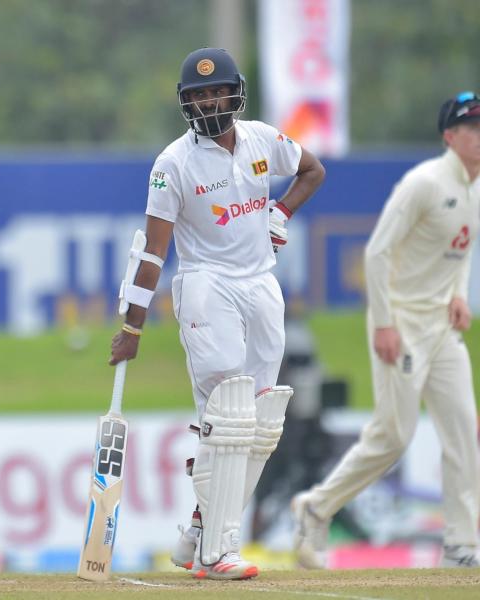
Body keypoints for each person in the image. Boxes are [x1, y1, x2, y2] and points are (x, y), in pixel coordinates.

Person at [109, 47, 325, 580]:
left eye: (216, 91)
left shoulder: (261, 139)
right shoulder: (172, 165)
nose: (209, 101)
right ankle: (217, 552)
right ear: (186, 103)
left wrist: (281, 210)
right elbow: (154, 252)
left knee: (262, 421)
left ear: (235, 93)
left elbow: (313, 170)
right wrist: (132, 326)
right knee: (228, 411)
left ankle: (199, 532)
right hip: (207, 285)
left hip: (261, 284)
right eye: (198, 95)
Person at [291, 92, 480, 570]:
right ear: (449, 136)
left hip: (442, 327)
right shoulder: (424, 183)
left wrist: (459, 294)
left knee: (462, 433)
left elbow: (460, 249)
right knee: (394, 436)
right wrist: (384, 323)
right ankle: (316, 506)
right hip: (403, 323)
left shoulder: (476, 190)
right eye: (471, 127)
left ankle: (461, 544)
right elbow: (376, 253)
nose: (479, 135)